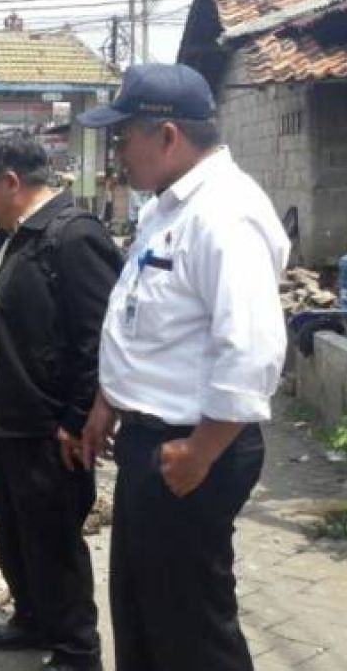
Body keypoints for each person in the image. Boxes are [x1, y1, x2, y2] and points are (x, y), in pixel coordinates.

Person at [78, 63, 289, 671]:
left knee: (193, 631)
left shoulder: (224, 214)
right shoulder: (167, 208)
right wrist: (107, 399)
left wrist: (200, 451)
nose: (118, 152)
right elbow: (144, 318)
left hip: (194, 447)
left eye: (125, 137)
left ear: (166, 135)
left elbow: (250, 348)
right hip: (153, 440)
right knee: (143, 613)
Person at [0, 129, 121, 671]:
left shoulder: (73, 237)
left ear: (11, 182)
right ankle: (32, 619)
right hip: (7, 412)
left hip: (51, 426)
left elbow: (99, 340)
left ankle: (76, 648)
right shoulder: (8, 236)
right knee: (12, 527)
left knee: (52, 537)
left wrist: (76, 420)